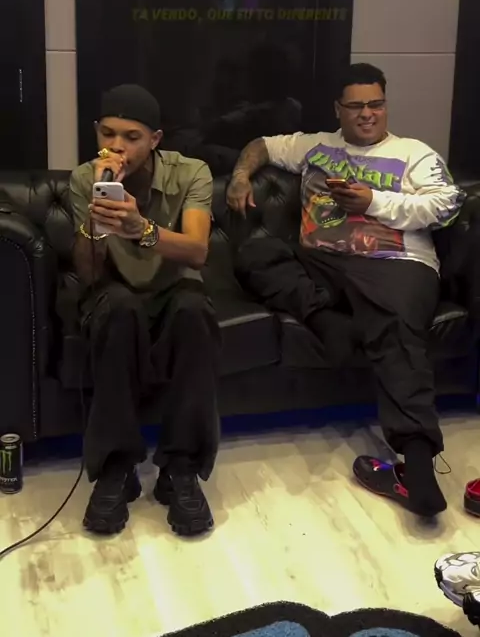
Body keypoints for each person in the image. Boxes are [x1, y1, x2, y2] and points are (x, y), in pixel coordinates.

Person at [226, 62, 465, 518]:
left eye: (376, 104)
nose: (367, 114)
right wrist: (240, 176)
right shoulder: (316, 146)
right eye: (356, 106)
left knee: (398, 335)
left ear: (386, 105)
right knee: (255, 255)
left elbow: (446, 205)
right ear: (338, 109)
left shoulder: (414, 153)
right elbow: (261, 145)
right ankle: (326, 320)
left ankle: (416, 467)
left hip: (395, 263)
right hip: (324, 264)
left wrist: (373, 201)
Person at [69, 84, 220, 537]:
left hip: (174, 288)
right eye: (108, 133)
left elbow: (197, 252)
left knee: (194, 312)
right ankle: (116, 469)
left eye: (131, 137)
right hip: (116, 290)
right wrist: (95, 224)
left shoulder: (191, 172)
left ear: (154, 139)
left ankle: (181, 468)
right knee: (118, 309)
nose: (117, 146)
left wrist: (141, 229)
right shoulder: (85, 178)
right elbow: (88, 272)